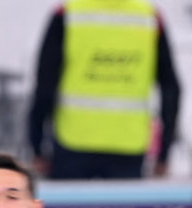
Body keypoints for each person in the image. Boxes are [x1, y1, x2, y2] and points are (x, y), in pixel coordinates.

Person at [27, 0, 181, 179]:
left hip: (73, 142)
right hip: (127, 145)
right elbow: (171, 89)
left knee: (71, 207)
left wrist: (36, 145)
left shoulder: (68, 13)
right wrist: (164, 154)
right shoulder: (149, 17)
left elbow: (45, 83)